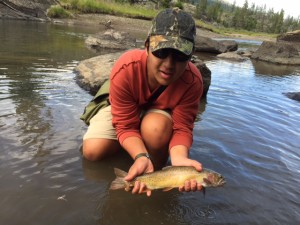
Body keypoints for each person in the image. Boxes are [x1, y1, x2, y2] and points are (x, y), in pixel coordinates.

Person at [82, 7, 204, 196]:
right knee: (92, 152)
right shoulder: (126, 68)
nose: (169, 64)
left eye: (180, 55)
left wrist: (179, 160)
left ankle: (152, 164)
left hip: (158, 117)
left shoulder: (192, 81)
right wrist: (140, 155)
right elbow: (124, 124)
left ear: (191, 54)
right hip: (127, 110)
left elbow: (182, 128)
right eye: (162, 52)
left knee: (155, 129)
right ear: (147, 46)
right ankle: (136, 151)